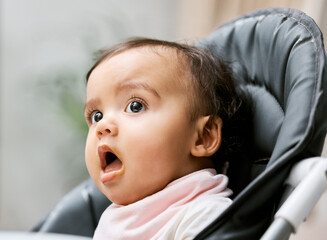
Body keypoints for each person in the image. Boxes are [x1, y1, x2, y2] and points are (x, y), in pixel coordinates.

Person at [84, 38, 243, 239]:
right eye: (96, 115)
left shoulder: (205, 216)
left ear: (203, 137)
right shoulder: (119, 218)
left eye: (135, 106)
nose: (102, 126)